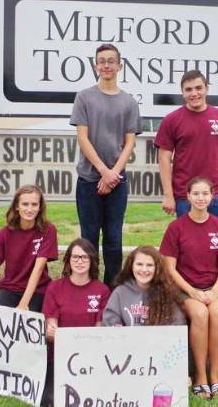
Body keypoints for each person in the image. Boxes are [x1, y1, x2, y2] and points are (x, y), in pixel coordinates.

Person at [70, 43, 141, 287]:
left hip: (117, 183)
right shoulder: (84, 97)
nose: (106, 65)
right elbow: (82, 137)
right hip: (88, 181)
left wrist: (113, 174)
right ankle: (87, 289)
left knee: (113, 240)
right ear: (95, 65)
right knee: (88, 240)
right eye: (102, 61)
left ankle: (112, 290)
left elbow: (130, 142)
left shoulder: (129, 102)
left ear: (120, 66)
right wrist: (103, 171)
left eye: (111, 61)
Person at [159, 177, 218, 399]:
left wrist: (214, 291)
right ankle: (201, 376)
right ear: (188, 196)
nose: (201, 198)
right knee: (200, 314)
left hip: (214, 287)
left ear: (212, 197)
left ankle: (216, 375)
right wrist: (192, 292)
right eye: (196, 193)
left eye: (205, 193)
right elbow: (170, 268)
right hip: (185, 289)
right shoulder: (176, 227)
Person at [154, 70, 218, 226]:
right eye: (188, 90)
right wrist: (168, 195)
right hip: (184, 196)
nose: (194, 93)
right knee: (188, 245)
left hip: (217, 194)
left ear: (206, 88)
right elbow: (164, 158)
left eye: (198, 88)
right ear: (182, 93)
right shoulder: (171, 120)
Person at [0, 185, 57, 315]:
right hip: (10, 288)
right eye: (25, 204)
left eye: (34, 204)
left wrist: (23, 303)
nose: (29, 209)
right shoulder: (5, 233)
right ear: (17, 206)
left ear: (40, 207)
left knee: (28, 326)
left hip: (38, 289)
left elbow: (38, 269)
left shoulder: (48, 230)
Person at [102, 246, 185, 327]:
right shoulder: (120, 292)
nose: (144, 270)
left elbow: (177, 324)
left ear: (157, 268)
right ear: (131, 266)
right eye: (139, 264)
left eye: (149, 265)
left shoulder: (167, 292)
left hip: (158, 340)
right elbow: (110, 322)